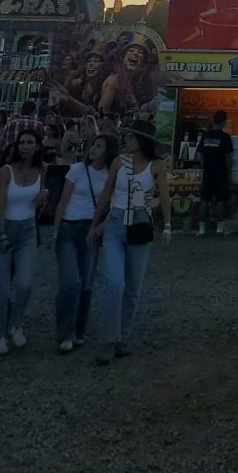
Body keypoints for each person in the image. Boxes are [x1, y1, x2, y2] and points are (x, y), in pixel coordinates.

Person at [88, 118, 171, 364]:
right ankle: (109, 340)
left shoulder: (156, 165)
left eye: (132, 136)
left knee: (133, 286)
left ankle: (122, 336)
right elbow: (106, 194)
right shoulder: (117, 163)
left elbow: (164, 196)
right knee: (115, 282)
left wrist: (167, 225)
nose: (127, 139)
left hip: (140, 222)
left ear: (142, 141)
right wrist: (95, 224)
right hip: (115, 223)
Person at [52, 133, 119, 353]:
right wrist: (55, 230)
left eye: (99, 146)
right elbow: (63, 200)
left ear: (107, 151)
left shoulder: (111, 174)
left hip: (91, 229)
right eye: (93, 145)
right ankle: (65, 332)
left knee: (87, 283)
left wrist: (101, 226)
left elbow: (113, 203)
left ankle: (79, 330)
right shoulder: (77, 170)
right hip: (69, 226)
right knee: (70, 281)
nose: (93, 149)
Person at [0, 131, 47, 354]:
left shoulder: (41, 170)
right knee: (3, 289)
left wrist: (43, 197)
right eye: (22, 142)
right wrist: (0, 233)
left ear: (37, 146)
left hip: (27, 230)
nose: (25, 146)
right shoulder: (5, 172)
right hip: (5, 229)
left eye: (30, 142)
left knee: (25, 283)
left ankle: (15, 324)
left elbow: (37, 205)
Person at [196, 111, 234, 237]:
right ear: (223, 122)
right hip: (221, 173)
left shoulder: (205, 136)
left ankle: (201, 228)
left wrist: (204, 165)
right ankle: (220, 227)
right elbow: (227, 158)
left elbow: (199, 155)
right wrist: (230, 172)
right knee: (220, 200)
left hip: (207, 173)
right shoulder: (225, 138)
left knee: (204, 200)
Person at [0, 100, 44, 170]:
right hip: (29, 163)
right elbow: (40, 146)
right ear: (34, 111)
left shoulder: (10, 124)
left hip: (10, 160)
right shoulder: (38, 125)